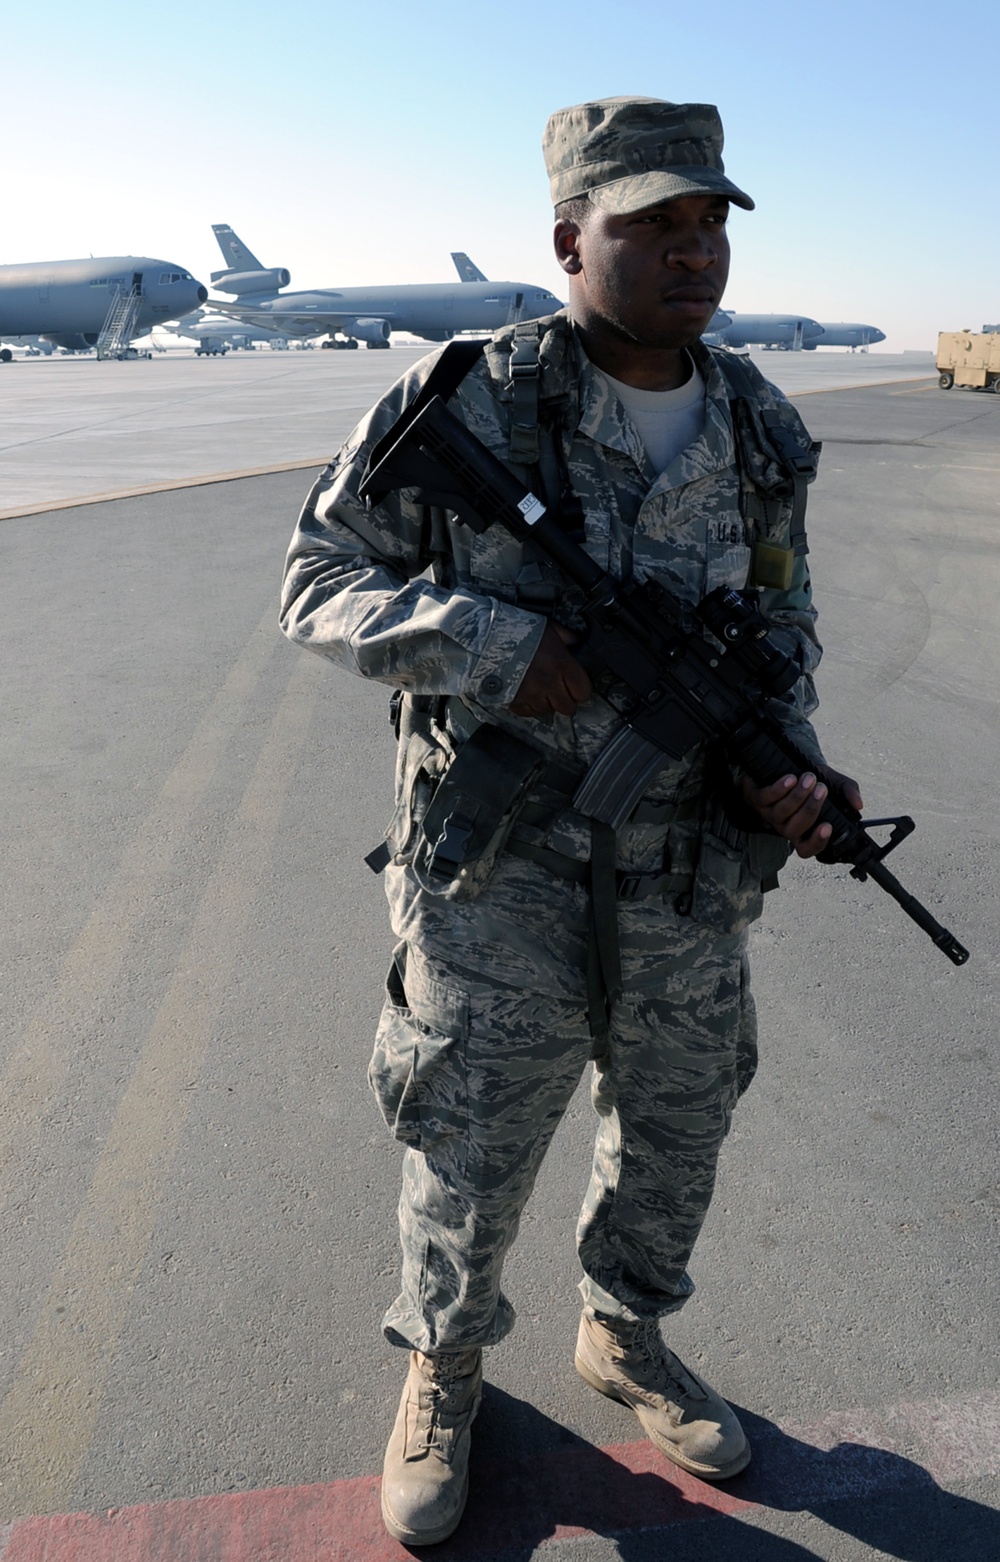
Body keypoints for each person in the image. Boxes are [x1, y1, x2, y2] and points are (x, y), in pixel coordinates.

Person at [280, 95, 863, 1547]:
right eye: (652, 221)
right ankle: (445, 1369)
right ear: (567, 237)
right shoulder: (472, 399)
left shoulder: (757, 420)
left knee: (674, 1133)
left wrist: (787, 766)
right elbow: (316, 581)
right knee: (470, 1148)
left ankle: (626, 1333)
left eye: (710, 220)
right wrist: (489, 647)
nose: (692, 251)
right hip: (497, 874)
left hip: (688, 879)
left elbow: (781, 626)